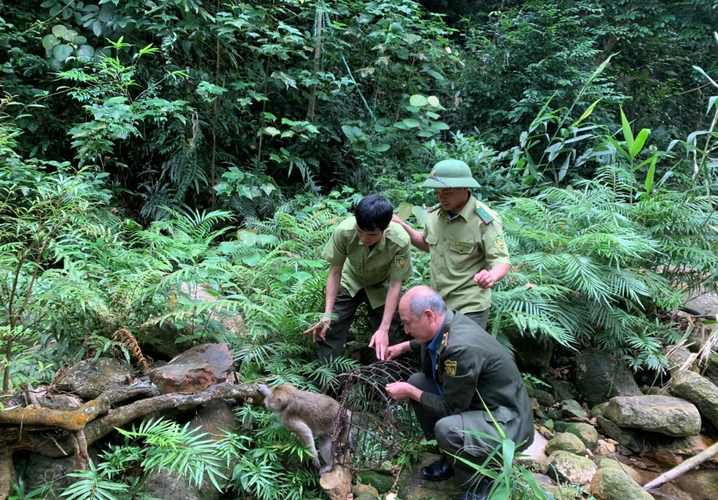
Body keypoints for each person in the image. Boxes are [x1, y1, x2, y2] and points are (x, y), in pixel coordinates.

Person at [385, 285, 534, 500]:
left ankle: (483, 481)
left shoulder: (460, 348)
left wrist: (410, 392)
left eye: (408, 323)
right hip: (483, 407)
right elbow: (433, 342)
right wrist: (405, 346)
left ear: (429, 315)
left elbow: (450, 408)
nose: (406, 330)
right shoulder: (449, 321)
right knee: (418, 381)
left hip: (509, 423)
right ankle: (453, 457)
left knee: (446, 427)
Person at [392, 159, 510, 330]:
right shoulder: (435, 216)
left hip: (469, 306)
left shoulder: (484, 220)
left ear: (464, 188)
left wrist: (491, 276)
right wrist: (403, 227)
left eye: (447, 192)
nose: (441, 198)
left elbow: (501, 261)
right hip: (437, 305)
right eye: (437, 193)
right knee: (436, 354)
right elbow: (426, 244)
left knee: (463, 354)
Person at [304, 194, 413, 363]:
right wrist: (327, 314)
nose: (364, 238)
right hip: (351, 281)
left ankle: (387, 385)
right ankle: (325, 384)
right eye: (360, 231)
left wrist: (383, 328)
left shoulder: (400, 240)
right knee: (329, 329)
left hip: (382, 287)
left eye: (371, 234)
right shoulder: (344, 231)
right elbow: (335, 272)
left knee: (388, 336)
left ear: (385, 229)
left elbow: (395, 284)